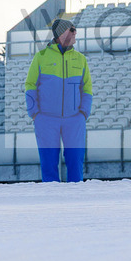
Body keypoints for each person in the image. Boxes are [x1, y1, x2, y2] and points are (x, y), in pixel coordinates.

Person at [24, 18, 92, 182]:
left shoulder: (80, 59)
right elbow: (30, 85)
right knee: (49, 162)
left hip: (74, 119)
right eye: (72, 29)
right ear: (61, 33)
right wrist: (35, 114)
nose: (75, 32)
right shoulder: (41, 57)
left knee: (75, 161)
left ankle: (76, 200)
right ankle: (51, 201)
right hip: (46, 119)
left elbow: (87, 88)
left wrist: (83, 113)